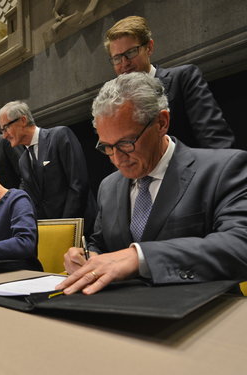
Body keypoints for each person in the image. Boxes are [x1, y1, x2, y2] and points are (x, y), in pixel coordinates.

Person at [56, 72, 247, 296]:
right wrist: (87, 257)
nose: (117, 159)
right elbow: (102, 243)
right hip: (122, 313)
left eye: (126, 143)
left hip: (202, 315)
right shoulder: (109, 186)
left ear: (161, 123)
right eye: (106, 147)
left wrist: (140, 257)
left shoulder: (223, 169)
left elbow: (239, 245)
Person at [104, 15, 234, 149]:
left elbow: (216, 142)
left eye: (131, 52)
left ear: (149, 47)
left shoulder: (183, 78)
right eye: (117, 58)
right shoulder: (116, 101)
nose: (125, 63)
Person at [0, 100, 97, 234]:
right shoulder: (23, 161)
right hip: (52, 233)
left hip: (82, 228)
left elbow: (78, 184)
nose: (4, 135)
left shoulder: (60, 136)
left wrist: (64, 226)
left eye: (6, 128)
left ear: (23, 120)